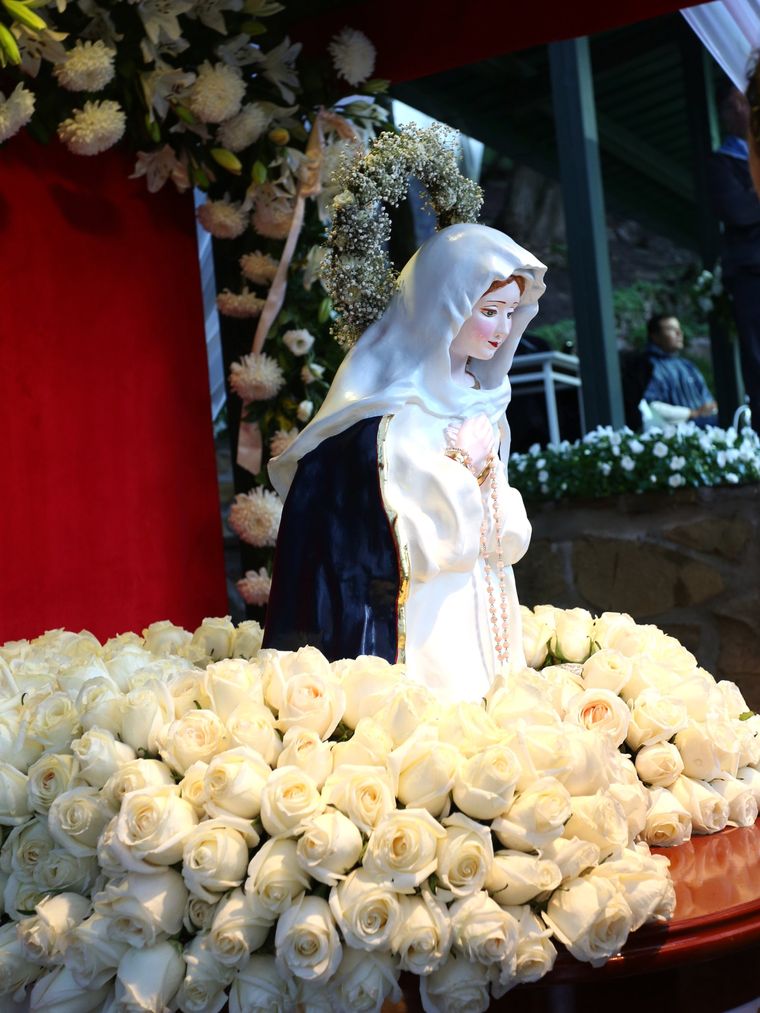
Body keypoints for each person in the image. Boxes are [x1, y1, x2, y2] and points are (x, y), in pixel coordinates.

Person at [263, 223, 546, 701]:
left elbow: (505, 535)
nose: (502, 329)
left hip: (486, 601)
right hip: (428, 619)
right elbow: (405, 538)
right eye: (490, 311)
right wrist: (465, 467)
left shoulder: (484, 401)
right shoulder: (395, 416)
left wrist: (484, 477)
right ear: (444, 308)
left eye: (510, 313)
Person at [707, 84, 760, 434]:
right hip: (751, 273)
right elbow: (738, 211)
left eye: (740, 103)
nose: (736, 111)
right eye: (730, 106)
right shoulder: (722, 161)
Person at [642, 314, 718, 429]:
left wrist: (711, 407)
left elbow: (707, 401)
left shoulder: (688, 366)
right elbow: (650, 406)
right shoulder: (647, 366)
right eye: (671, 329)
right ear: (655, 336)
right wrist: (692, 413)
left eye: (679, 329)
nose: (679, 333)